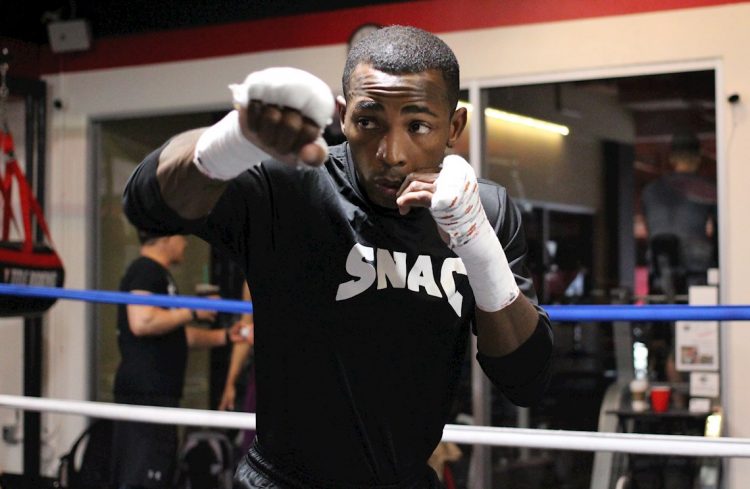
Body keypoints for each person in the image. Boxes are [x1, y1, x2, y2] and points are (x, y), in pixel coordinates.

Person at [123, 25, 553, 489]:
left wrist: (476, 244)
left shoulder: (482, 210)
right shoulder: (291, 184)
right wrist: (228, 143)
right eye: (369, 122)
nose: (392, 154)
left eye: (419, 125)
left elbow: (525, 379)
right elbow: (146, 204)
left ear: (454, 127)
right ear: (344, 117)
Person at [111, 229, 247, 489]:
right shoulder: (145, 270)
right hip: (145, 398)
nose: (185, 243)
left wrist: (225, 337)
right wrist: (193, 310)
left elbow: (176, 336)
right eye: (181, 237)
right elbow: (142, 321)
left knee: (159, 475)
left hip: (158, 396)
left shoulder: (159, 275)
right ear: (166, 238)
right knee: (143, 479)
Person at [641, 131, 718, 294]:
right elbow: (721, 234)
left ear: (671, 158)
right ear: (698, 158)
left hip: (658, 272)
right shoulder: (707, 189)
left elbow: (650, 231)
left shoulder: (650, 190)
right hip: (697, 273)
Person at [218, 281, 257, 453]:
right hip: (262, 377)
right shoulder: (254, 275)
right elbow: (245, 331)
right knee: (253, 446)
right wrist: (229, 384)